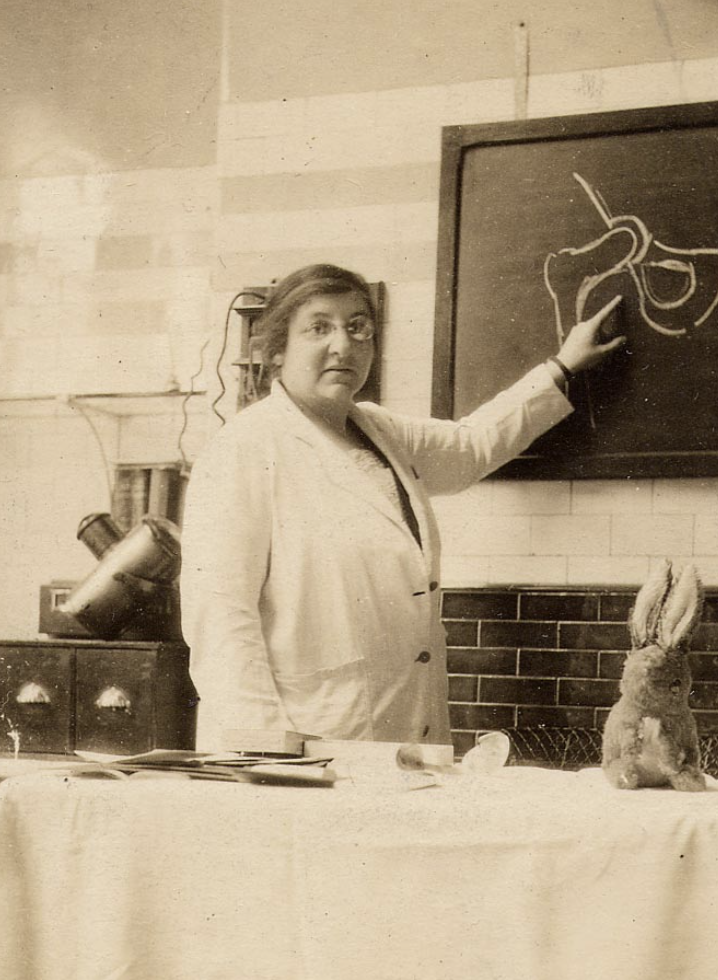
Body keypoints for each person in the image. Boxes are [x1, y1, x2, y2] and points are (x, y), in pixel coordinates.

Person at [180, 263, 623, 750]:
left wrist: (562, 368)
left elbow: (471, 447)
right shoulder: (244, 449)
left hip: (401, 730)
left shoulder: (377, 429)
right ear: (277, 349)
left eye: (357, 327)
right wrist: (264, 752)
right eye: (319, 328)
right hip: (304, 740)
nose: (343, 346)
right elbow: (220, 615)